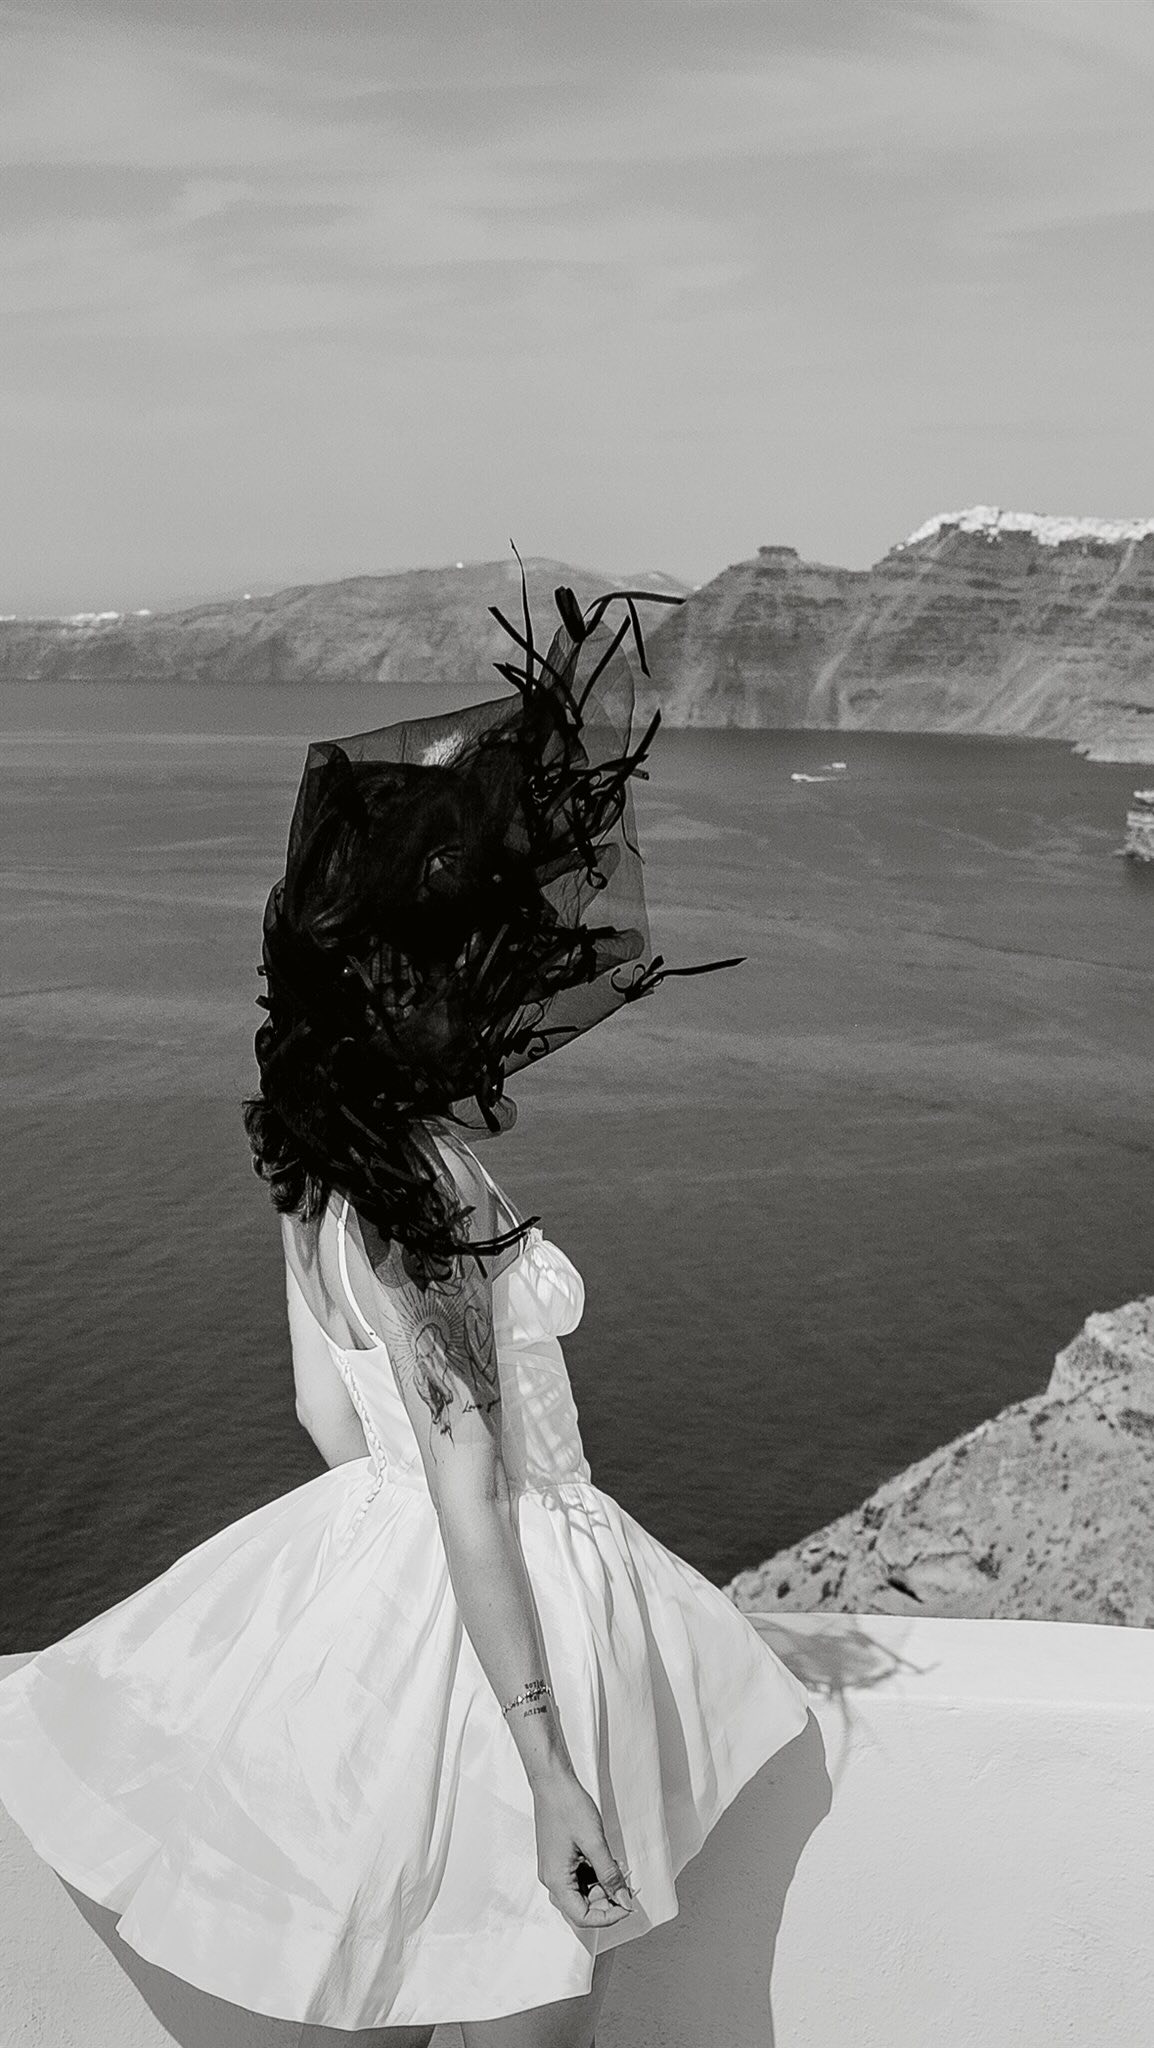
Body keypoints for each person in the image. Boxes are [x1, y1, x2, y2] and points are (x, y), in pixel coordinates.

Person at [0, 564, 812, 2046]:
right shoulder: (427, 1194)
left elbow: (328, 1414)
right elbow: (466, 1473)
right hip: (518, 1619)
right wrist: (544, 1757)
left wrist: (398, 1626)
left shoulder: (323, 1171)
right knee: (530, 2015)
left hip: (385, 1605)